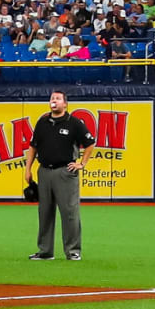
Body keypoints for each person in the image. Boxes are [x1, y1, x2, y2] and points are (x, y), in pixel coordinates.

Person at [25, 89, 95, 261]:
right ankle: (45, 251)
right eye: (52, 98)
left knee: (69, 212)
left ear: (65, 104)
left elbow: (90, 142)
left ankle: (73, 251)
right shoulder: (42, 122)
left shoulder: (74, 123)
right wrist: (28, 169)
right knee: (45, 212)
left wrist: (82, 163)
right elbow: (33, 146)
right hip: (44, 171)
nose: (54, 100)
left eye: (57, 98)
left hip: (65, 171)